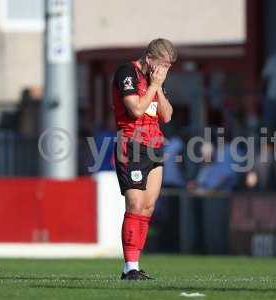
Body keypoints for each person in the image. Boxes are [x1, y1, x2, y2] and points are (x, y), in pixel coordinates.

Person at [112, 38, 177, 280]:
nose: (165, 71)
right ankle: (129, 267)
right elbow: (136, 109)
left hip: (155, 147)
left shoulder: (155, 80)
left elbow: (167, 116)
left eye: (169, 67)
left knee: (148, 207)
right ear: (149, 59)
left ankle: (134, 266)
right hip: (131, 145)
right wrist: (153, 85)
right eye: (163, 65)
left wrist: (158, 87)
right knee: (135, 205)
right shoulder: (127, 72)